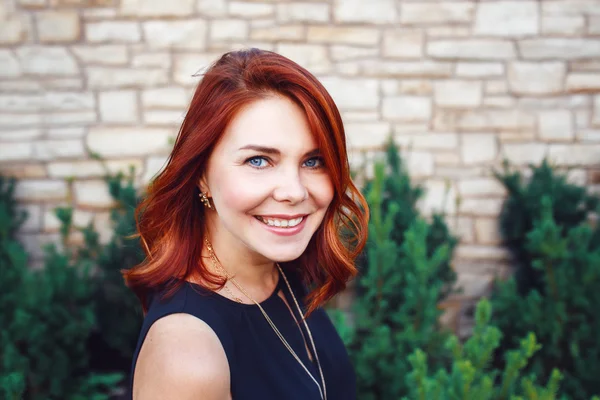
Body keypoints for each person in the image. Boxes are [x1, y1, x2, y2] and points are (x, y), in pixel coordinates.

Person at [123, 48, 369, 400]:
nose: (294, 191)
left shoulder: (280, 272)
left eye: (313, 161)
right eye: (258, 160)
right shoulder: (187, 355)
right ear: (201, 175)